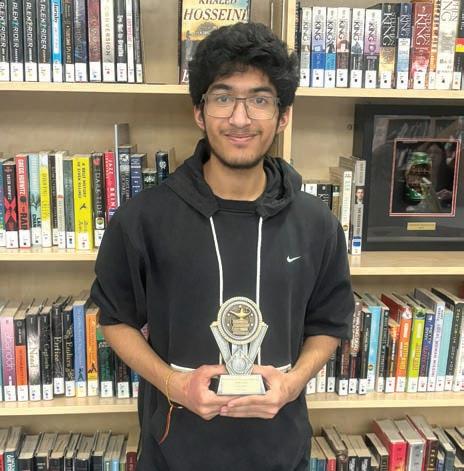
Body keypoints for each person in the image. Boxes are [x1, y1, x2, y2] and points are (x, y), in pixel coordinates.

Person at [91, 22, 354, 471]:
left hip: (280, 453)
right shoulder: (143, 218)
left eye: (260, 100)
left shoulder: (318, 223)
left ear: (283, 116)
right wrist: (173, 385)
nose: (240, 118)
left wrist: (293, 383)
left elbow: (329, 323)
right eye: (223, 98)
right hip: (175, 454)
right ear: (199, 111)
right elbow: (116, 319)